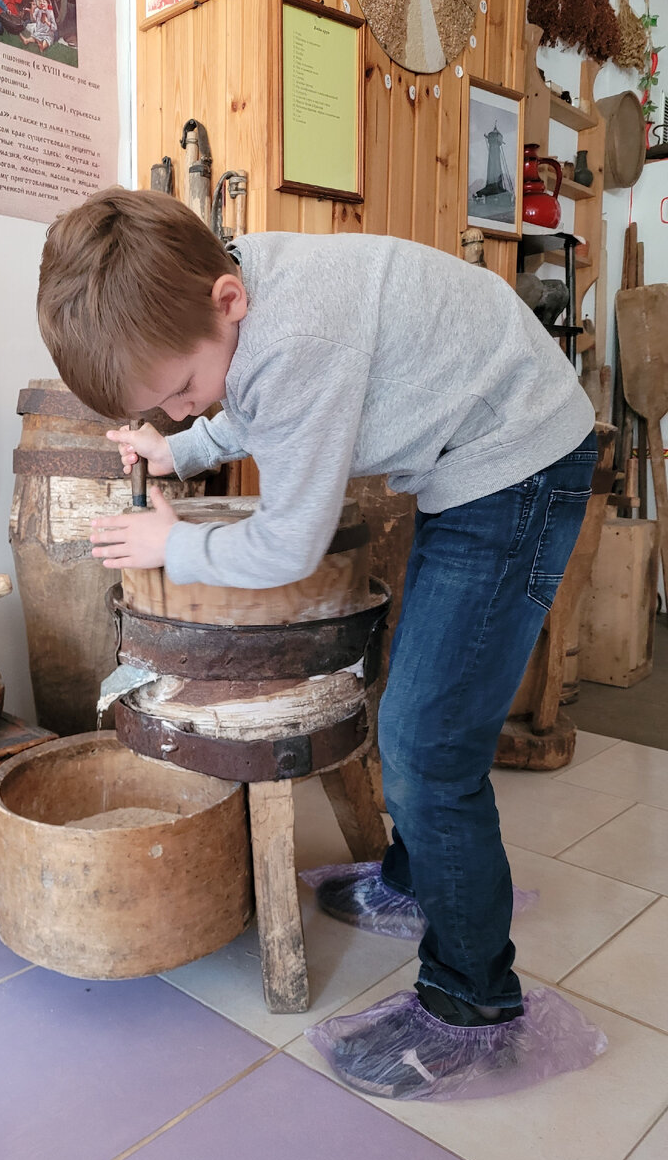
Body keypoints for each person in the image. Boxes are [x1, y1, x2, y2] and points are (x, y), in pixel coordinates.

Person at [36, 187, 603, 1100]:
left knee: (428, 745)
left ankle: (474, 1005)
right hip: (474, 456)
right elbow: (245, 398)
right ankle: (420, 880)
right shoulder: (238, 294)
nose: (184, 407)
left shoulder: (295, 333)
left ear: (227, 299)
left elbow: (289, 541)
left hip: (519, 461)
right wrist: (176, 451)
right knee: (423, 701)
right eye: (166, 405)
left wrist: (170, 542)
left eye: (180, 390)